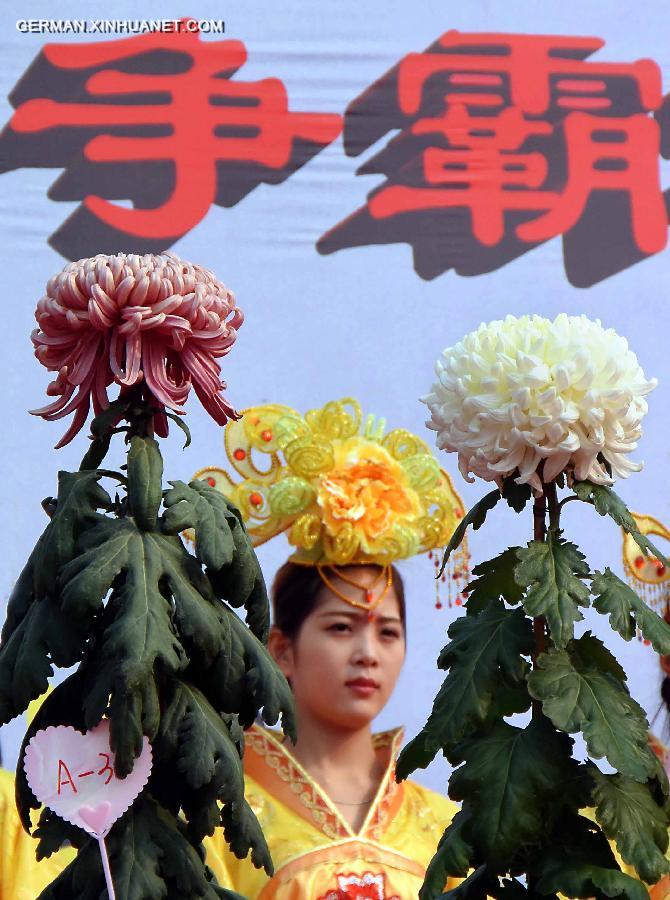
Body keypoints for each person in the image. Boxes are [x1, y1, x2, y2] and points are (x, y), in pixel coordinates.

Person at [0, 397, 469, 899]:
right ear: (279, 649)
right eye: (340, 628)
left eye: (388, 632)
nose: (368, 652)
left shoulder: (444, 824)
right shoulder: (213, 808)